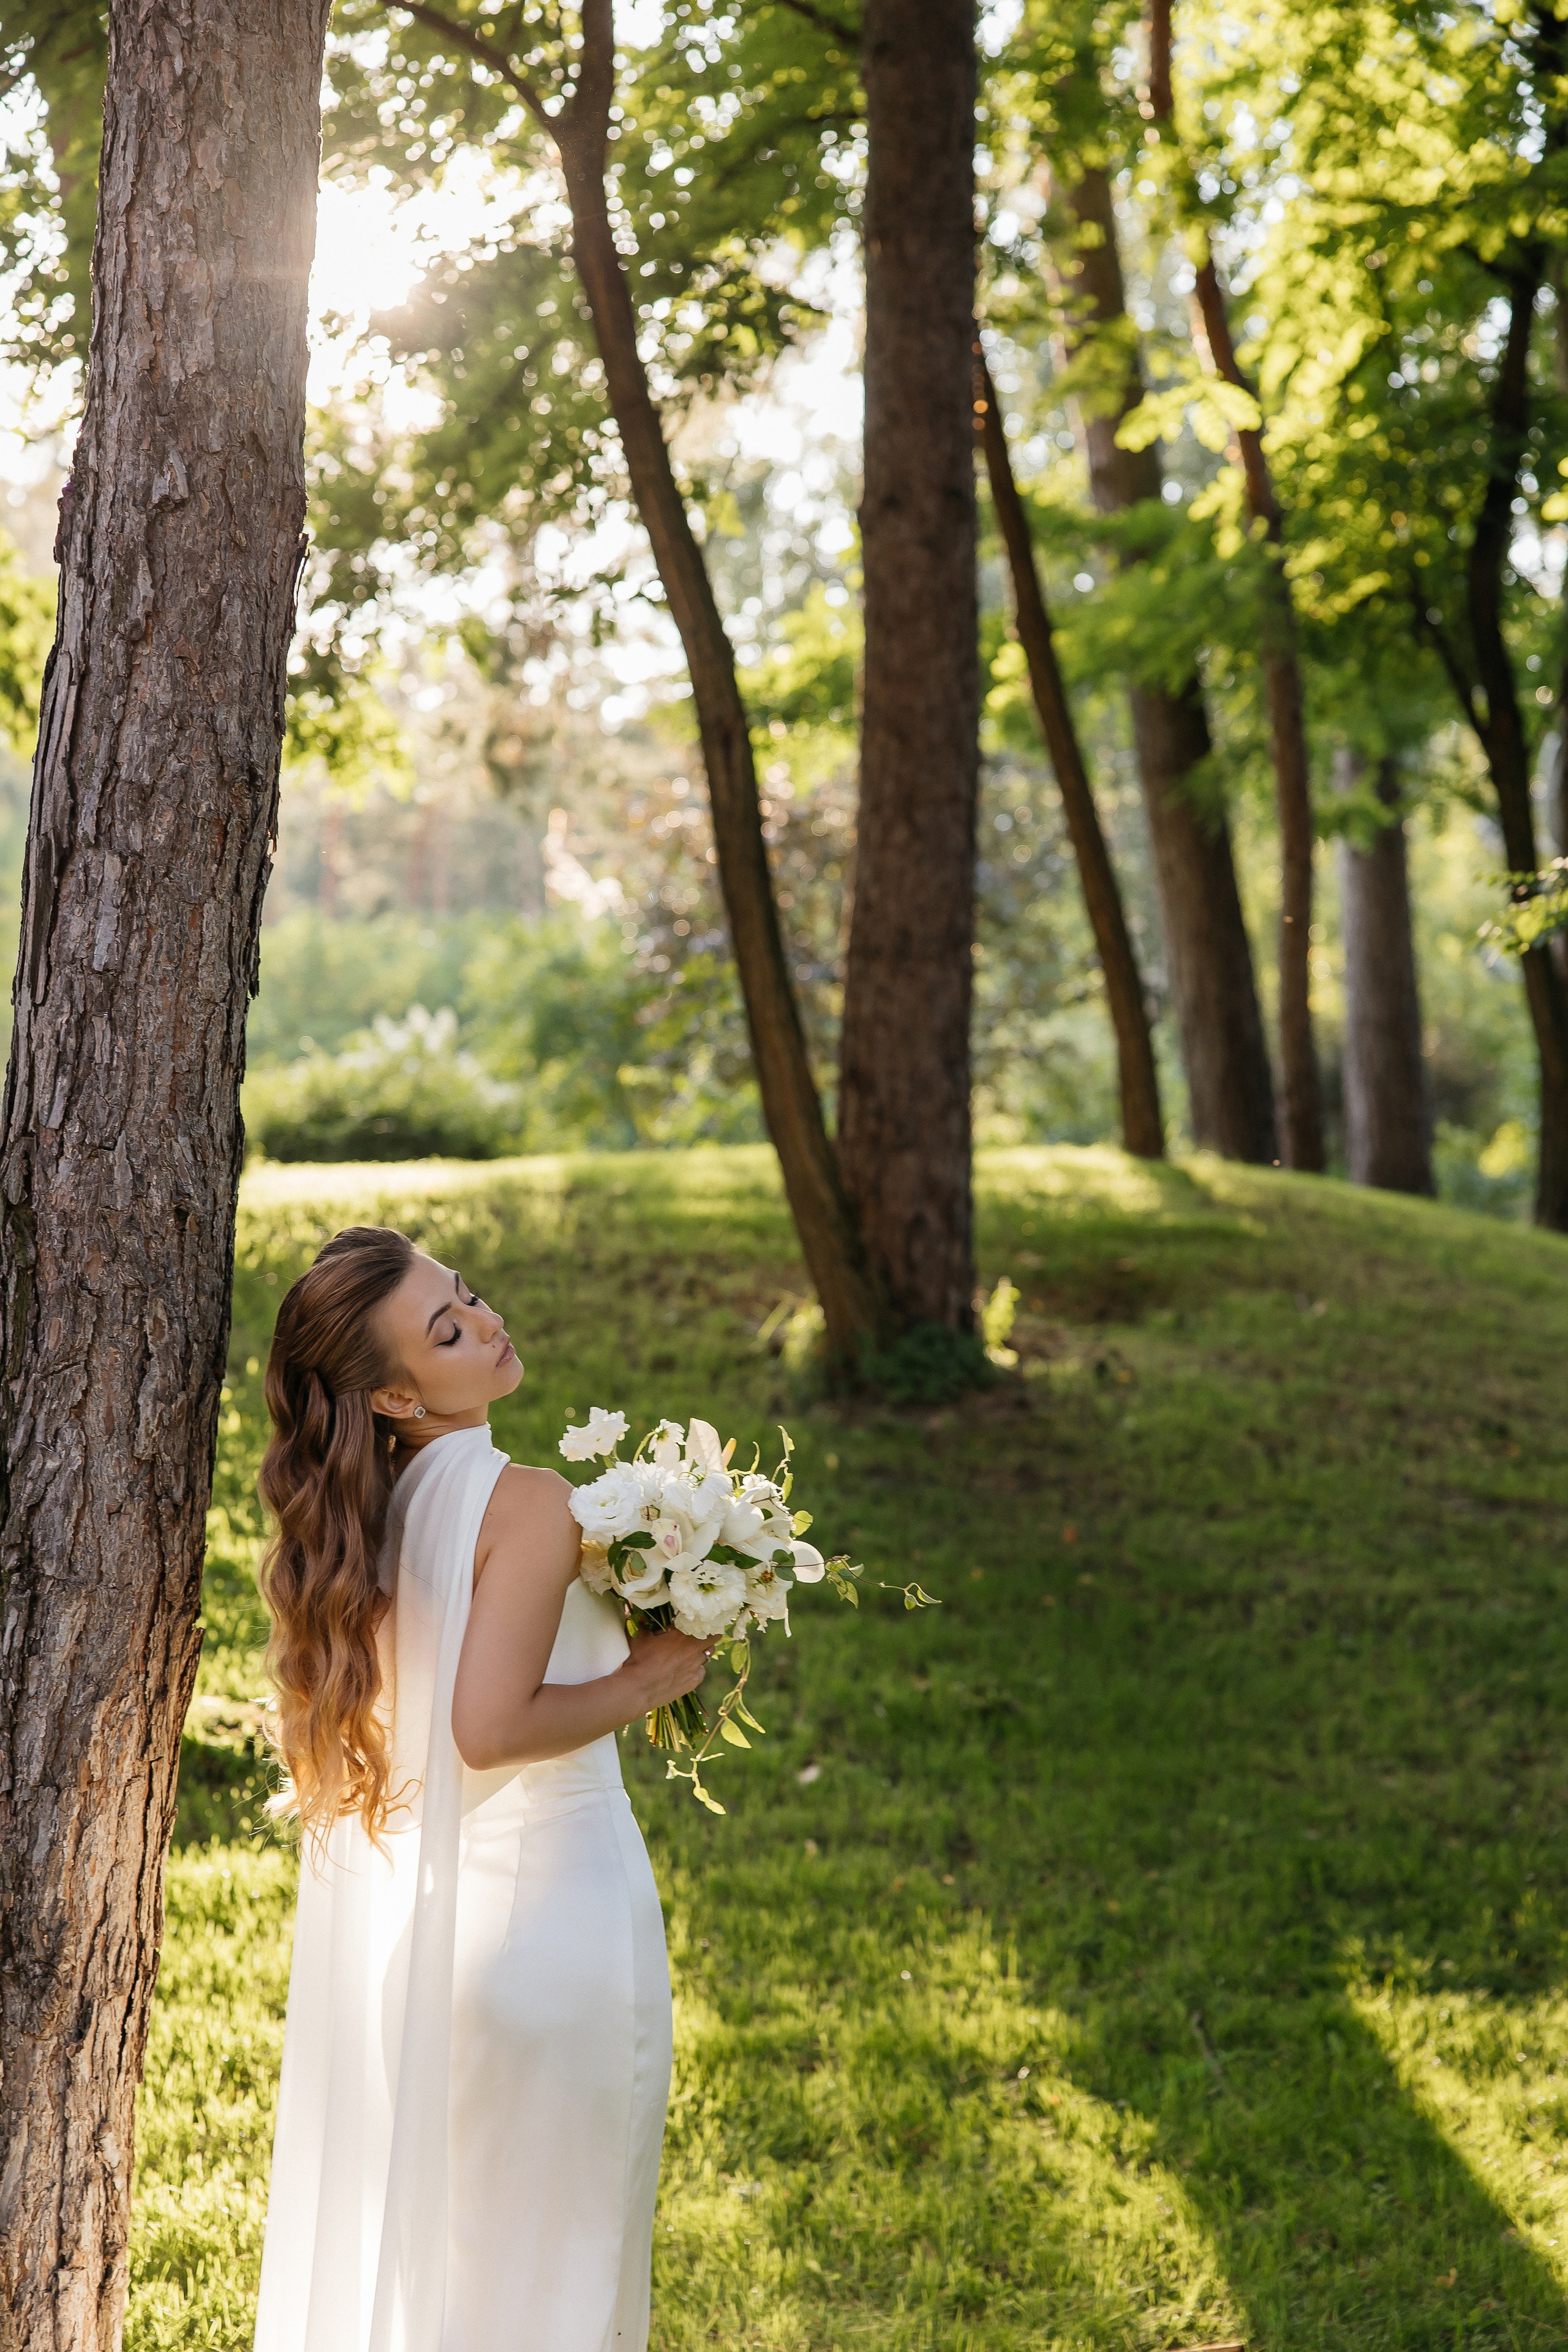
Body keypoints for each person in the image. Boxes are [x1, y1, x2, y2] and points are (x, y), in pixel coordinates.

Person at [251, 1224, 712, 2352]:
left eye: (467, 1295)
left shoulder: (379, 1518)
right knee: (563, 2292)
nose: (485, 1322)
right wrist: (652, 1676)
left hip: (453, 1959)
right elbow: (489, 1728)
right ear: (397, 1397)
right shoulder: (525, 1501)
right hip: (565, 1946)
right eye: (446, 1330)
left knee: (474, 2296)